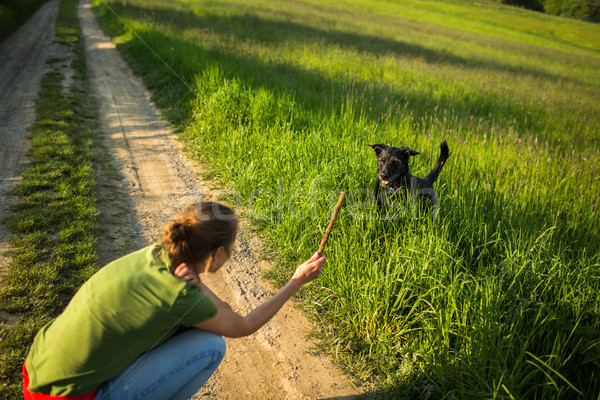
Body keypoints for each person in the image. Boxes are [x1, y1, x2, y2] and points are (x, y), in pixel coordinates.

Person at [23, 202, 326, 400]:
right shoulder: (179, 294)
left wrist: (200, 286)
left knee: (195, 329)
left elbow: (221, 310)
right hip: (69, 396)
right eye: (230, 249)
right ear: (217, 254)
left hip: (38, 372)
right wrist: (296, 280)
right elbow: (243, 324)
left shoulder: (157, 255)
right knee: (211, 346)